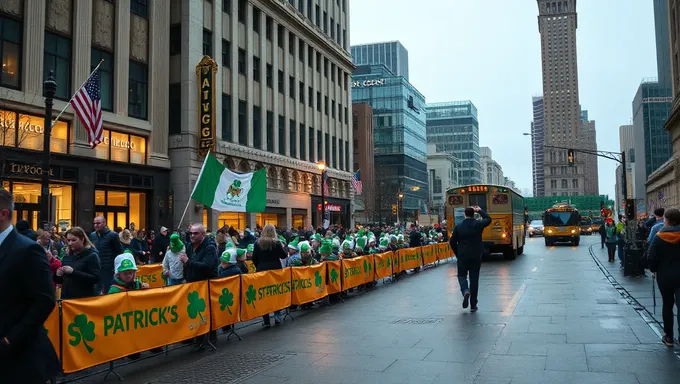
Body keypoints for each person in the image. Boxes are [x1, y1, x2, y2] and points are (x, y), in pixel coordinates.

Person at [0, 189, 61, 382]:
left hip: (20, 358)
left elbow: (45, 300)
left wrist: (11, 339)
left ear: (3, 214)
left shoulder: (27, 249)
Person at [647, 208, 680, 347]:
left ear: (666, 219)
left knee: (667, 305)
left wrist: (654, 269)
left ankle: (669, 336)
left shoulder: (659, 236)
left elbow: (650, 256)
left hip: (664, 276)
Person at [449, 206, 492, 312]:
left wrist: (457, 253)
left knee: (461, 275)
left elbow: (452, 242)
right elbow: (488, 219)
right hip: (476, 255)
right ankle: (473, 305)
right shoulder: (478, 224)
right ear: (474, 214)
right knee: (474, 279)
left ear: (465, 214)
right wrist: (480, 210)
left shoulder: (459, 226)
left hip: (463, 255)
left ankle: (465, 291)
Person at [251, 224, 288, 327]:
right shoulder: (276, 242)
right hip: (275, 269)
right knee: (275, 292)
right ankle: (277, 316)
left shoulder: (257, 243)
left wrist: (258, 266)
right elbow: (283, 255)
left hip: (262, 269)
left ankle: (266, 320)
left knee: (264, 294)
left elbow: (254, 257)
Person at [55, 227, 102, 299]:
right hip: (67, 299)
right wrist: (58, 275)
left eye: (74, 240)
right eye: (68, 240)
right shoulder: (67, 255)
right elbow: (62, 280)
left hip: (83, 298)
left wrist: (73, 272)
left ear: (82, 239)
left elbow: (95, 279)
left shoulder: (92, 255)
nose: (70, 243)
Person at [90, 216, 124, 294]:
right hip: (96, 268)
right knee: (96, 290)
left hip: (108, 268)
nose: (96, 225)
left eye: (98, 223)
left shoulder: (113, 235)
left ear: (104, 223)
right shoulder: (92, 235)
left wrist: (115, 267)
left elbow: (119, 252)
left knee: (108, 290)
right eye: (94, 223)